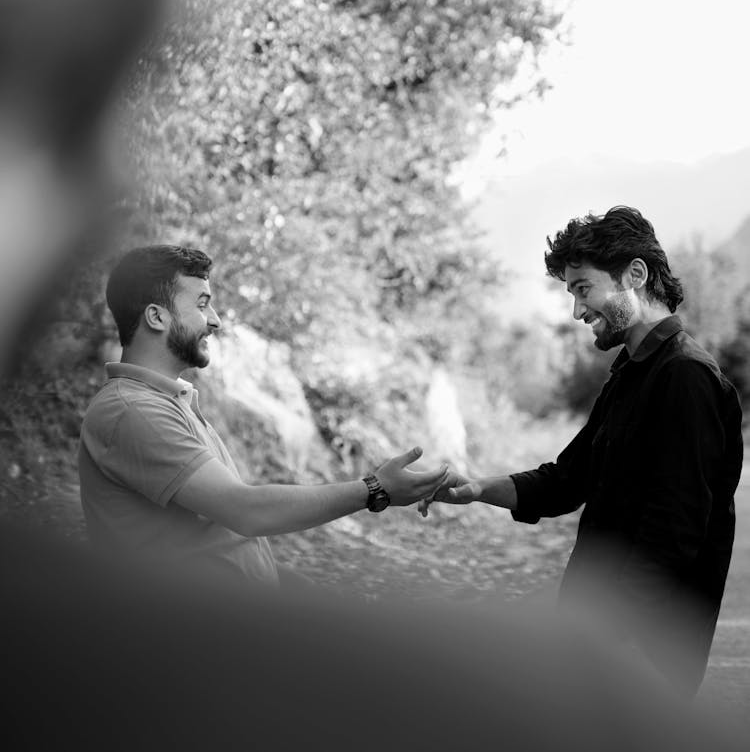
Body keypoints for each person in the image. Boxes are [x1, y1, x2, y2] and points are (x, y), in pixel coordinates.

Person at [420, 206, 744, 696]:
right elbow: (568, 479)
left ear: (635, 274)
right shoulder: (630, 373)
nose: (577, 311)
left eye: (583, 288)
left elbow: (673, 530)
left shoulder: (685, 376)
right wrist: (476, 489)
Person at [78, 244, 448, 586]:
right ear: (156, 317)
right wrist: (374, 489)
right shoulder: (133, 412)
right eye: (203, 304)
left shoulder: (166, 400)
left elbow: (217, 536)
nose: (216, 320)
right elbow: (246, 511)